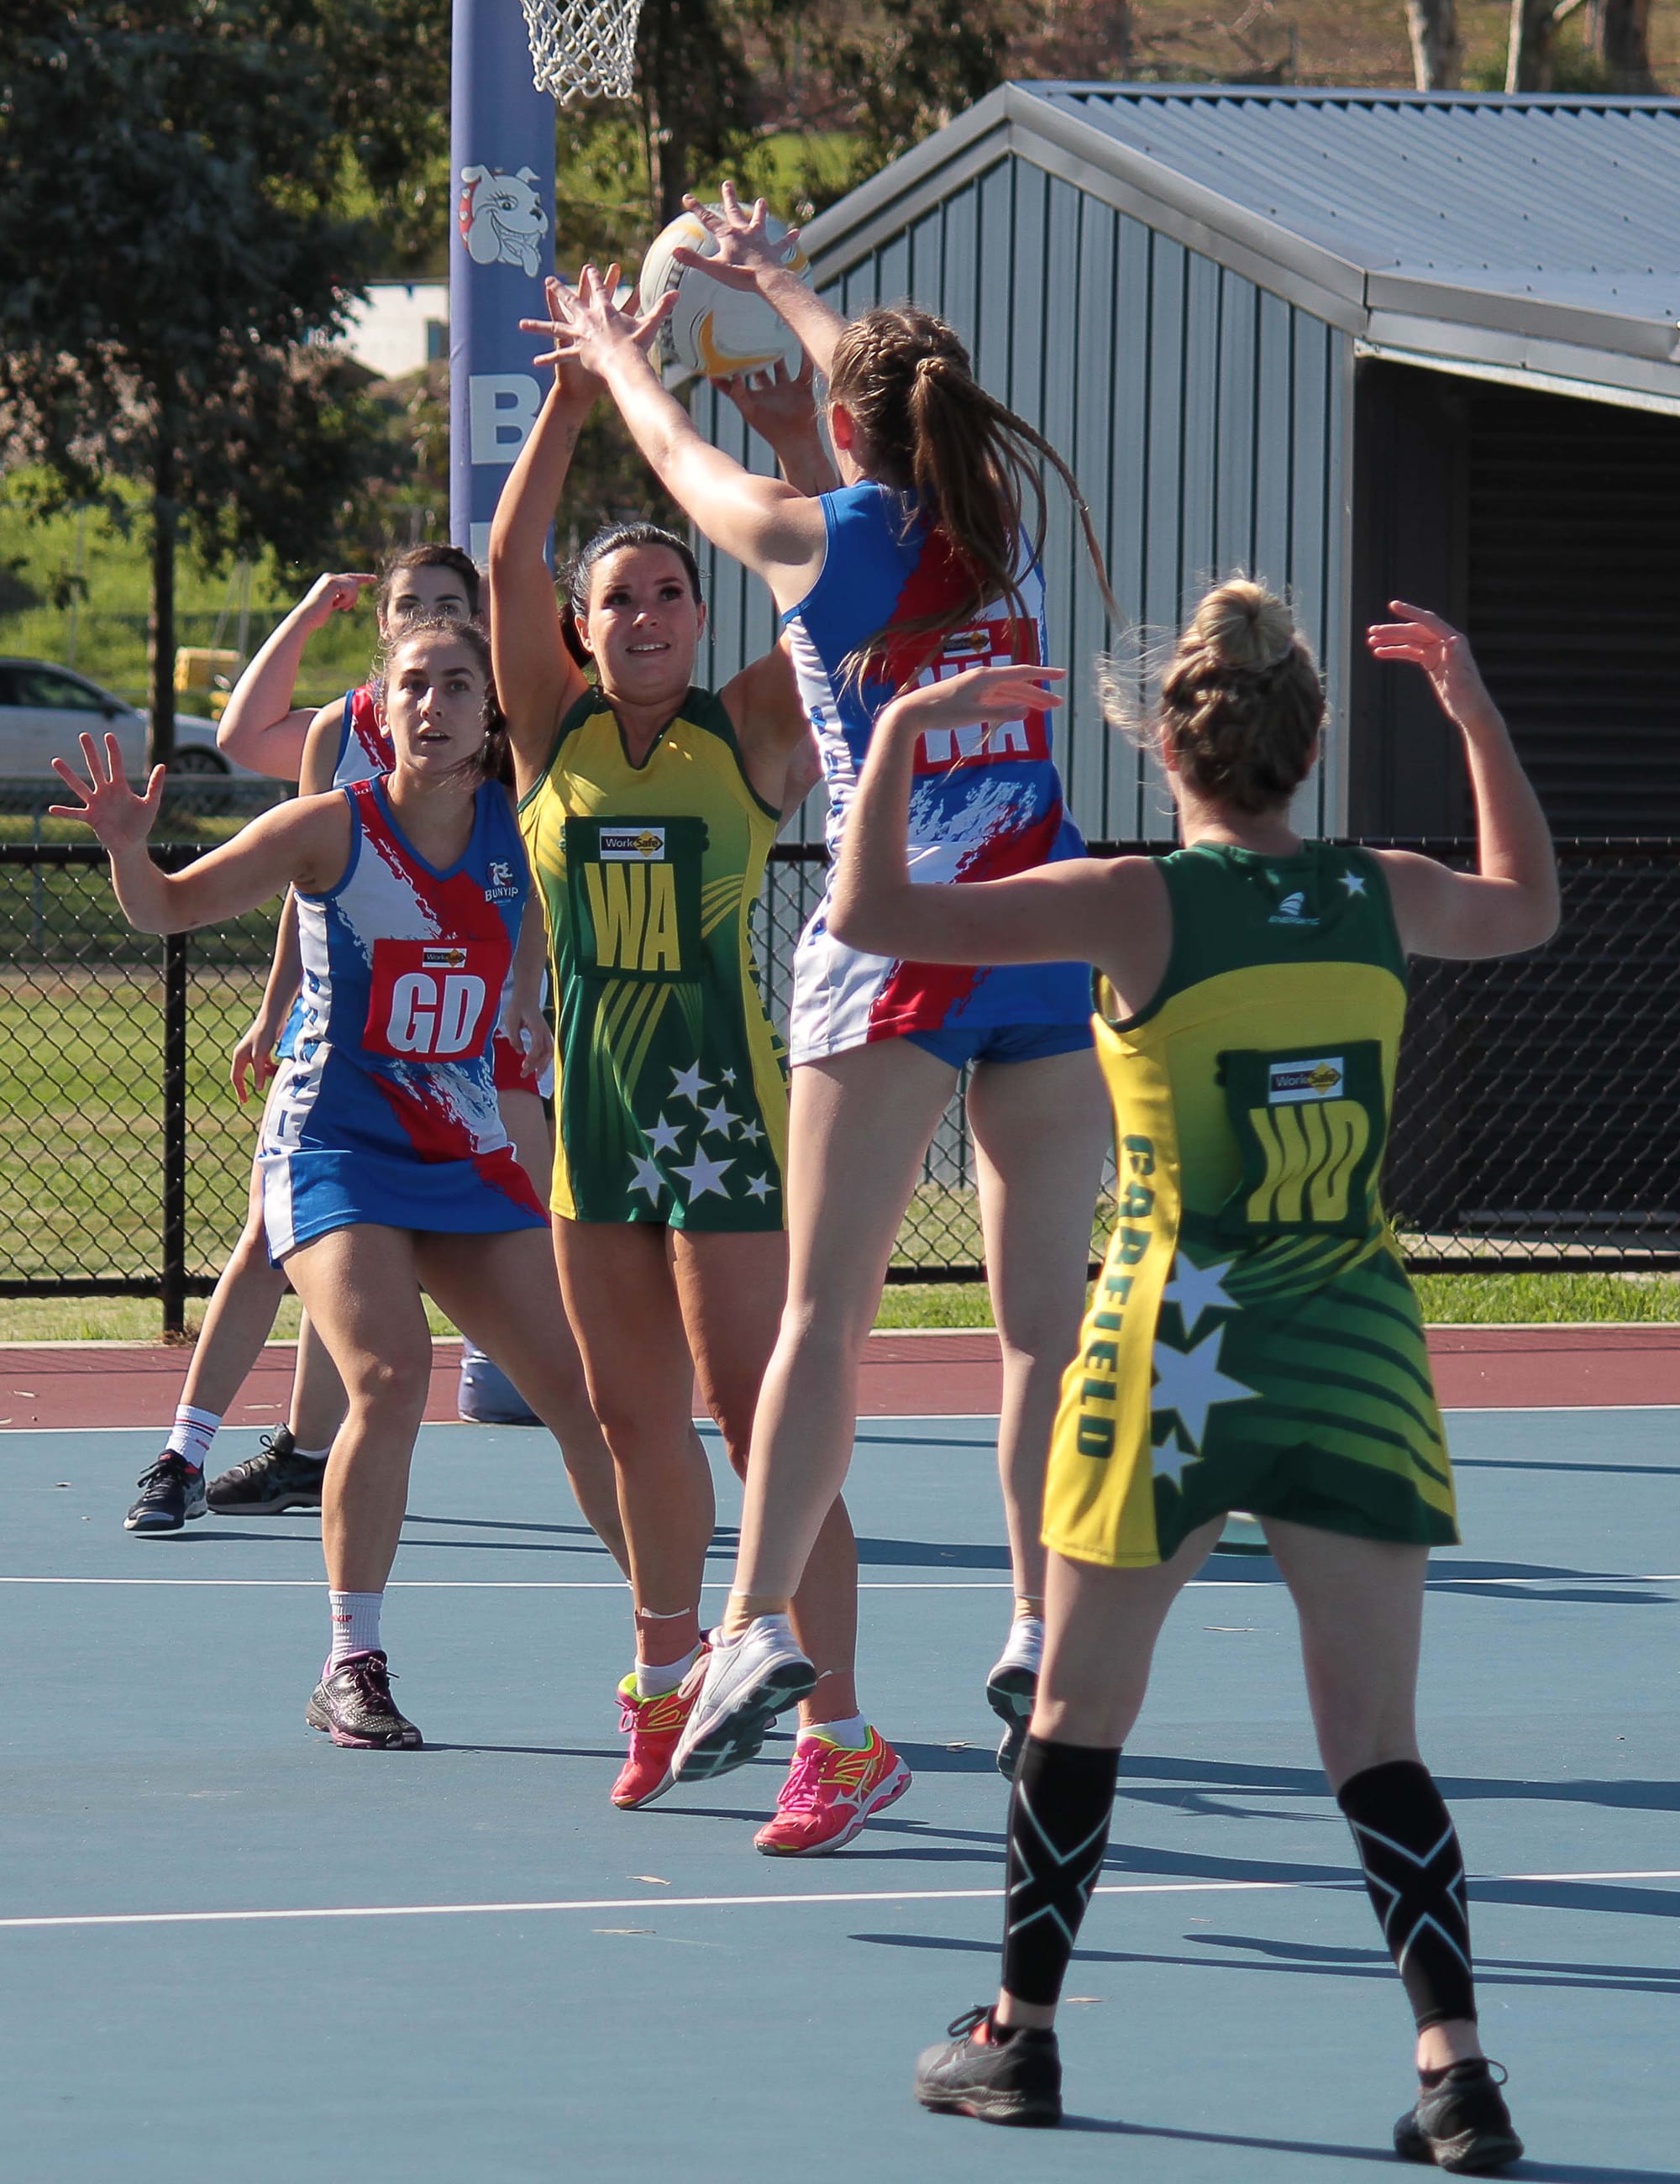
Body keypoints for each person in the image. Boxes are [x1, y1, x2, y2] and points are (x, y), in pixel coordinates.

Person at [822, 584, 1554, 2168]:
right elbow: (1532, 904)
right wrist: (1475, 708)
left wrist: (893, 739)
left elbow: (873, 915)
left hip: (1174, 1346)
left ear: (1169, 745)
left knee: (1080, 1709)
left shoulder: (1131, 904)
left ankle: (1020, 2037)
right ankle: (1460, 2072)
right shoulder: (1386, 892)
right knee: (1378, 1735)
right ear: (1308, 746)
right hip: (1351, 1348)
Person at [535, 193, 1117, 1785]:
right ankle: (1032, 1619)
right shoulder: (994, 522)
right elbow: (872, 386)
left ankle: (761, 1621)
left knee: (822, 1317)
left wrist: (614, 354)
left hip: (902, 929)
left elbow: (678, 469)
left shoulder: (830, 540)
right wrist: (782, 286)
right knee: (1038, 1327)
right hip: (1042, 928)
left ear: (850, 423)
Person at [491, 282, 902, 1851]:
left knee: (758, 1423)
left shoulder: (749, 734)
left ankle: (843, 1733)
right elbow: (509, 559)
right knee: (630, 1422)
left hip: (727, 1122)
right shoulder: (547, 736)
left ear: (699, 616)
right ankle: (667, 1670)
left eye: (672, 590)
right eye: (622, 600)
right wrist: (583, 394)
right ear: (584, 634)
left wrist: (786, 433)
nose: (648, 612)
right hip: (596, 1125)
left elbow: (826, 578)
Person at [60, 617, 629, 1748]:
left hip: (461, 1148)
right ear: (380, 704)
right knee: (389, 1373)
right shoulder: (331, 830)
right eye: (413, 683)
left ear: (487, 716)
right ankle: (351, 1663)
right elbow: (170, 909)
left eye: (457, 685)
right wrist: (131, 849)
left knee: (588, 1395)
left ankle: (680, 1648)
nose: (433, 703)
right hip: (337, 1145)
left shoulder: (524, 842)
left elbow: (549, 958)